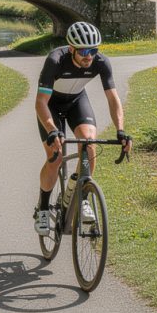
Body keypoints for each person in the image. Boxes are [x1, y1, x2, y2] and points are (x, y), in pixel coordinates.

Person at [33, 21, 132, 236]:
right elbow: (40, 102)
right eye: (84, 51)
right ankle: (42, 208)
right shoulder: (55, 60)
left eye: (94, 50)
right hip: (51, 105)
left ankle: (81, 196)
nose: (89, 56)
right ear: (71, 49)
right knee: (55, 157)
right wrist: (51, 130)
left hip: (76, 101)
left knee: (89, 144)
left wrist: (121, 130)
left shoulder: (101, 62)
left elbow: (113, 98)